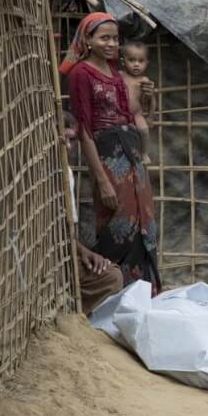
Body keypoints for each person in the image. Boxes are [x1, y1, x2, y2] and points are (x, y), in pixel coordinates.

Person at [63, 12, 162, 294]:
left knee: (144, 219)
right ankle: (114, 289)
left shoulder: (116, 75)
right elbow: (84, 129)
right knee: (119, 221)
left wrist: (148, 98)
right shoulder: (81, 74)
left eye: (115, 39)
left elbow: (130, 116)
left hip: (131, 153)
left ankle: (145, 292)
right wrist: (102, 179)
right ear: (88, 40)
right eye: (104, 37)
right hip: (108, 157)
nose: (111, 44)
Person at [61, 111, 124, 314]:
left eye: (71, 140)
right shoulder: (31, 171)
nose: (68, 147)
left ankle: (71, 310)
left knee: (112, 277)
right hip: (39, 258)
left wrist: (84, 252)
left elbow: (68, 230)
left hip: (65, 254)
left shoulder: (67, 174)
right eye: (63, 140)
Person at [119, 40, 155, 165]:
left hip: (137, 114)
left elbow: (152, 99)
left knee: (144, 130)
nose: (136, 65)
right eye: (132, 60)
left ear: (146, 63)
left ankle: (144, 153)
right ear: (123, 62)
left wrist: (150, 116)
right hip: (121, 114)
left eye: (141, 61)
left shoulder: (144, 80)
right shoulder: (120, 76)